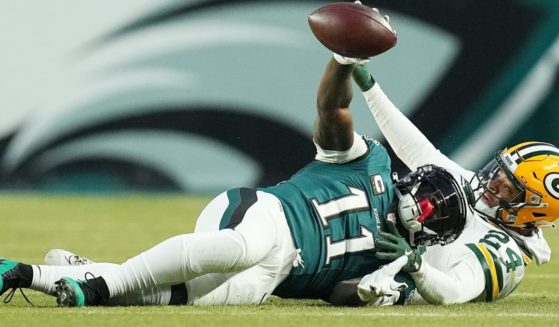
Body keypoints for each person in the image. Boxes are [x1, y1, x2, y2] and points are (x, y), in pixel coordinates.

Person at [0, 57, 469, 307]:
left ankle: (28, 274)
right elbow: (332, 113)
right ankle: (103, 283)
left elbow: (337, 293)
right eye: (431, 197)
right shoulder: (372, 164)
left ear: (439, 234)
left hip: (277, 277)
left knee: (179, 297)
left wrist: (369, 292)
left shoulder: (405, 265)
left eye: (438, 214)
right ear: (419, 179)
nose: (425, 208)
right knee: (242, 247)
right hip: (265, 213)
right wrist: (342, 62)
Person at [323, 47, 559, 305]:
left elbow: (453, 292)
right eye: (499, 172)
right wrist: (370, 87)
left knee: (365, 290)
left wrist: (415, 266)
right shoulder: (473, 188)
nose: (493, 184)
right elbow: (415, 148)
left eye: (509, 188)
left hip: (407, 277)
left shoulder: (504, 252)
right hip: (370, 233)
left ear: (535, 211)